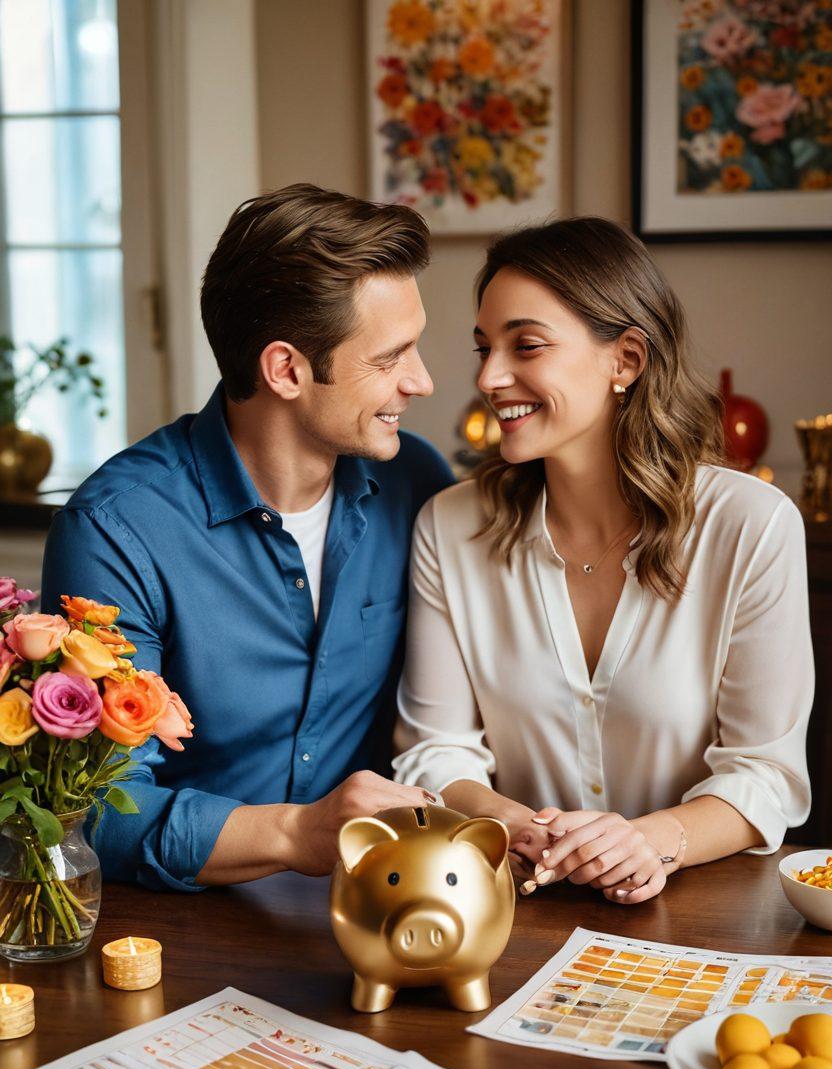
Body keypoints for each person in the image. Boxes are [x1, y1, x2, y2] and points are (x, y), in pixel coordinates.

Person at [41, 183, 453, 892]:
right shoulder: (115, 529)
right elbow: (95, 805)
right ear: (287, 369)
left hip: (383, 905)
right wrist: (297, 833)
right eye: (390, 358)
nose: (423, 381)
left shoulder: (417, 482)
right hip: (184, 929)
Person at [394, 216, 813, 905]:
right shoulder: (450, 527)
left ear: (626, 360)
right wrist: (517, 825)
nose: (491, 378)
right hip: (510, 904)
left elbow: (765, 772)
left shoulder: (752, 527)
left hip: (703, 911)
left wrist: (648, 841)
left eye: (525, 345)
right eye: (483, 349)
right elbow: (435, 750)